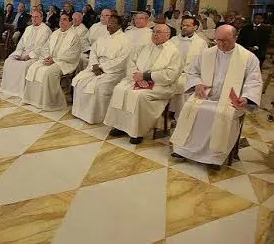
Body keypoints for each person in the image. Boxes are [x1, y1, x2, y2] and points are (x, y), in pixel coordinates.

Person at [171, 25, 263, 169]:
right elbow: (192, 72)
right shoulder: (207, 53)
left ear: (235, 38)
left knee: (221, 114)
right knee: (190, 107)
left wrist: (246, 97)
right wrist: (197, 84)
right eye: (217, 40)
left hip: (231, 101)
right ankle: (184, 150)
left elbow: (254, 81)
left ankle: (214, 157)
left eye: (225, 41)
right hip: (206, 96)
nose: (220, 44)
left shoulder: (248, 58)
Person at [104, 24, 182, 144]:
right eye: (154, 32)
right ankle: (120, 126)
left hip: (161, 86)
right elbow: (131, 62)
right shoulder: (143, 47)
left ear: (168, 35)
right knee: (120, 89)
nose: (155, 34)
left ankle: (137, 132)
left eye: (159, 32)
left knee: (138, 96)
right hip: (137, 80)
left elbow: (171, 74)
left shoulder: (174, 52)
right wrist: (137, 78)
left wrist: (147, 76)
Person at [71, 15, 130, 124]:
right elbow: (93, 51)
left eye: (113, 22)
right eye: (109, 22)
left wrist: (102, 67)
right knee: (80, 81)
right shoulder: (102, 37)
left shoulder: (125, 40)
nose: (110, 24)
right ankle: (79, 112)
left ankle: (95, 116)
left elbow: (122, 60)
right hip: (96, 67)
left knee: (98, 86)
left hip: (113, 71)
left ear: (119, 25)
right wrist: (94, 64)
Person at [22, 14, 81, 111]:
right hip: (50, 59)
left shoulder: (74, 37)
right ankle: (33, 99)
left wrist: (55, 60)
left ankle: (52, 103)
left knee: (49, 73)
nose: (61, 21)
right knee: (33, 67)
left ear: (70, 22)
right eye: (61, 19)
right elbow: (45, 48)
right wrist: (47, 57)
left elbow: (72, 55)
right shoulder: (55, 33)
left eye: (65, 20)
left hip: (65, 63)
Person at [0, 10, 51, 98]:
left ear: (42, 18)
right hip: (23, 53)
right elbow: (21, 43)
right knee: (8, 61)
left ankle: (21, 91)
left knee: (24, 66)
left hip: (35, 56)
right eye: (33, 17)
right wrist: (19, 53)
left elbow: (41, 47)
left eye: (37, 17)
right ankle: (8, 88)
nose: (34, 19)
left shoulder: (46, 30)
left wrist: (28, 56)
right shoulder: (28, 28)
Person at [168, 16, 208, 116]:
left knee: (182, 86)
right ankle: (166, 112)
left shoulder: (201, 43)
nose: (184, 27)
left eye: (188, 25)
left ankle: (180, 115)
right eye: (183, 25)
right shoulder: (173, 40)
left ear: (195, 27)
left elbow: (203, 63)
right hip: (171, 72)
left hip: (189, 74)